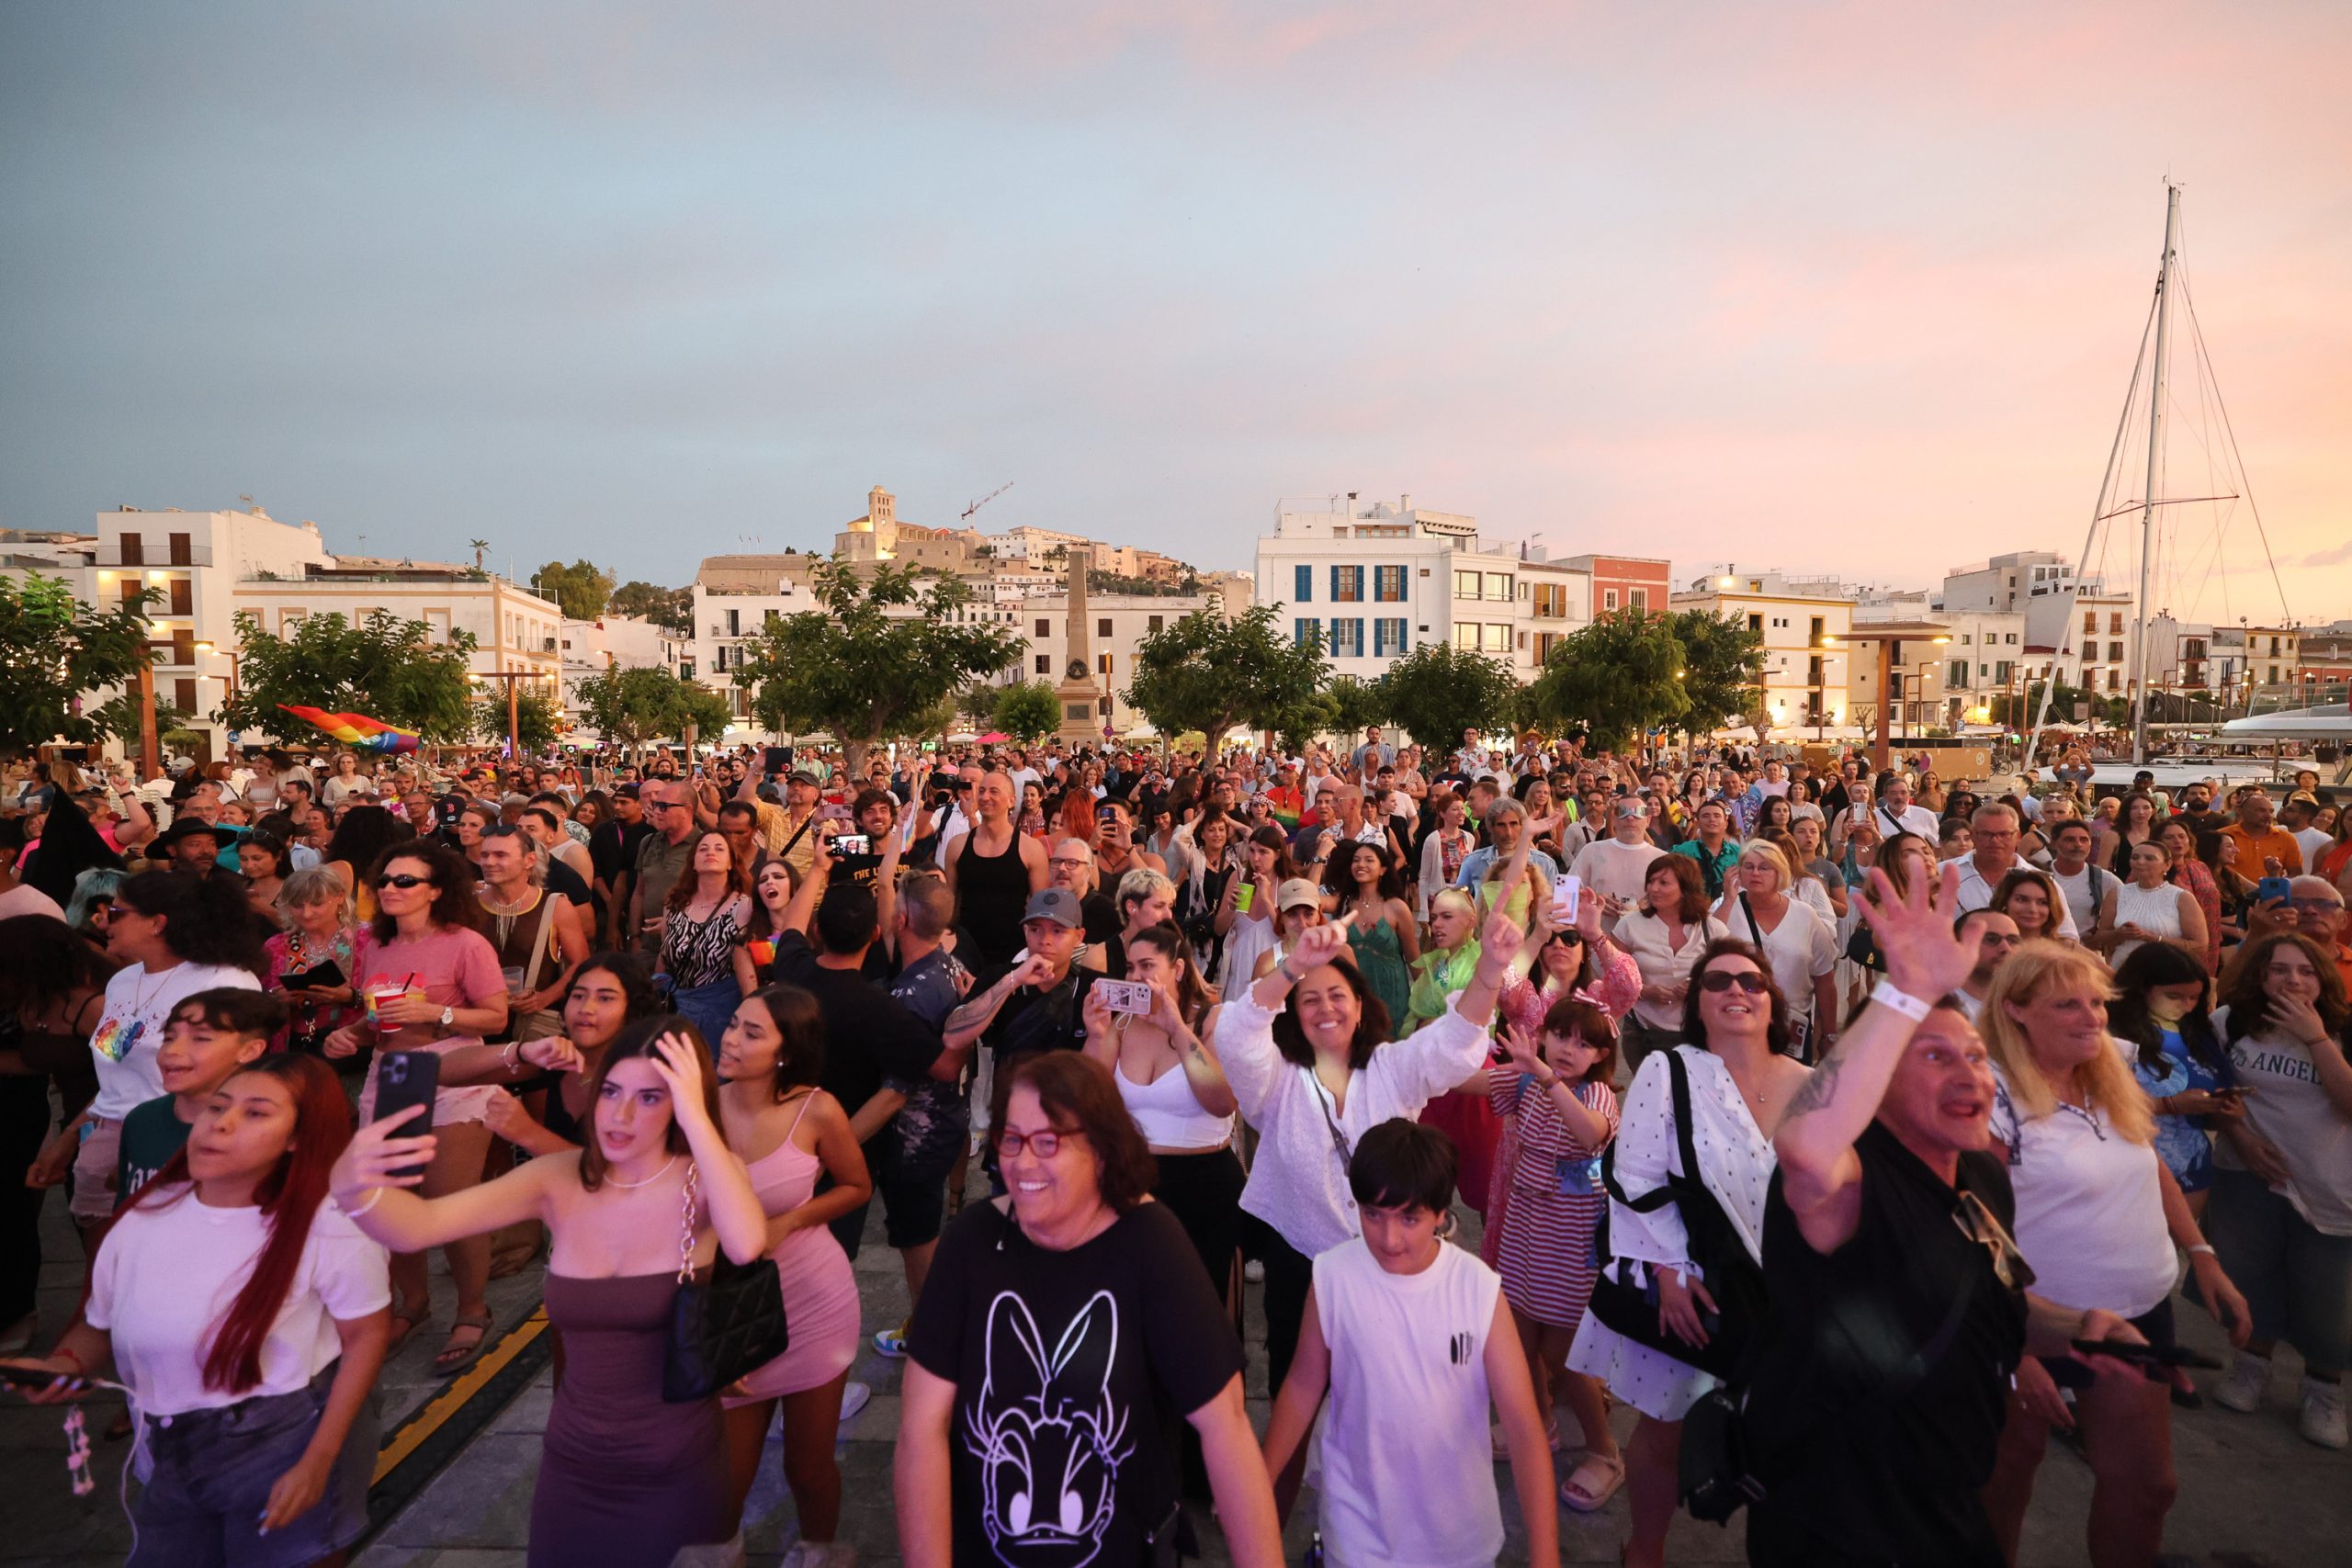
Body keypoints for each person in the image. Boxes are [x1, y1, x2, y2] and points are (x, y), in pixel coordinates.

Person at [1752, 861, 2170, 1568]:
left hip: (1949, 1503)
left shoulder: (1979, 1175)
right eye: (1934, 1056)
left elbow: (1990, 1295)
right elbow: (1802, 1139)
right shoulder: (1848, 1182)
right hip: (1840, 1520)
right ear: (1877, 1076)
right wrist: (1906, 986)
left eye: (1976, 1057)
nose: (1969, 1074)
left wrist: (2076, 1328)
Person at [333, 1018, 769, 1568]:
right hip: (574, 1466)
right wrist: (352, 1181)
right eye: (611, 1091)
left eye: (651, 1097)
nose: (621, 1115)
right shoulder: (559, 1178)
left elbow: (748, 1241)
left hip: (679, 1468)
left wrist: (698, 1117)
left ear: (683, 1104)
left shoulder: (704, 1177)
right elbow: (417, 1227)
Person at [894, 1052, 1285, 1568]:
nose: (1022, 1162)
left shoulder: (1150, 1243)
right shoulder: (971, 1242)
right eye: (1011, 1139)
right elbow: (920, 1430)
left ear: (1102, 1151)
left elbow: (1227, 1428)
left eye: (1049, 1141)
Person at [7, 1054, 390, 1566]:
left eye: (256, 1113)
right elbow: (99, 1322)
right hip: (165, 1451)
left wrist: (318, 1462)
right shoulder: (145, 1212)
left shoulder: (328, 1224)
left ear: (298, 1138)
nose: (222, 1124)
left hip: (278, 1441)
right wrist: (62, 1367)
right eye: (217, 1107)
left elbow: (365, 1338)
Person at [1977, 942, 2252, 1568]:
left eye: (2098, 1002)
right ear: (2016, 1010)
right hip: (2025, 1323)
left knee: (2149, 1486)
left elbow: (2147, 1161)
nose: (2092, 1017)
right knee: (2006, 1478)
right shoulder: (1989, 1094)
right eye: (2068, 1004)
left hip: (2137, 1313)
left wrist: (2201, 1254)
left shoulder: (2105, 1073)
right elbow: (1973, 1224)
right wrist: (2017, 1341)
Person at [1566, 939, 1814, 1568]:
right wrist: (1668, 1269)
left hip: (1788, 1294)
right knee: (1669, 1428)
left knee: (1782, 1434)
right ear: (1697, 1004)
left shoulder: (1813, 1084)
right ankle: (1645, 1548)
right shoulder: (1669, 1069)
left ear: (1772, 1000)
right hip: (1694, 1288)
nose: (1737, 990)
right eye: (1720, 981)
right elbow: (1637, 1174)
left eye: (1752, 982)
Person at [1214, 897, 1522, 1400]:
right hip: (1300, 1260)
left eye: (1337, 996)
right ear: (1293, 1011)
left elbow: (1453, 1041)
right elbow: (1235, 1033)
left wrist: (1490, 970)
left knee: (1389, 1390)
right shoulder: (1274, 1080)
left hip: (1391, 1256)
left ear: (1360, 1006)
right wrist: (1293, 966)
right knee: (1296, 1386)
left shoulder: (1392, 1067)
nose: (1325, 1009)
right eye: (1309, 999)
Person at [1259, 1119, 1560, 1568]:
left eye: (1410, 1218)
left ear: (1441, 1213)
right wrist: (1259, 1480)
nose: (1389, 1238)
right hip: (1356, 1530)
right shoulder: (1332, 1277)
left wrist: (1545, 1553)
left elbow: (1521, 1424)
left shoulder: (1477, 1288)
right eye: (1372, 1214)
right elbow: (1302, 1388)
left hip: (1459, 1537)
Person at [324, 842, 511, 1372]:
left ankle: (472, 1309)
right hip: (391, 1075)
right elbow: (375, 1020)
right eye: (385, 879)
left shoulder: (465, 944)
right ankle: (414, 1304)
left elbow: (496, 1018)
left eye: (405, 881)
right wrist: (351, 1038)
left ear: (435, 891)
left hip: (453, 1072)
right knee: (392, 1200)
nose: (389, 888)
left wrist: (439, 1012)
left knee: (451, 1200)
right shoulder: (374, 944)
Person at [714, 985, 870, 1562]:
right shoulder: (700, 1104)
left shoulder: (817, 1109)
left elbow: (857, 1187)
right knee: (724, 1481)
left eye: (752, 1032)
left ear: (787, 1050)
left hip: (812, 1303)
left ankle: (818, 1551)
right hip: (732, 1313)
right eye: (733, 1024)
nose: (731, 1038)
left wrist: (791, 1220)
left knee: (807, 1467)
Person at [40, 870, 266, 1235]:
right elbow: (118, 1075)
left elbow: (241, 1076)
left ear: (157, 923)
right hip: (105, 1141)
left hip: (180, 1141)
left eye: (115, 913)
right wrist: (68, 1140)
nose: (101, 920)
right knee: (106, 1275)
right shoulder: (122, 982)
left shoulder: (221, 981)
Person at [2204, 931, 2352, 1448]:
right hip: (2250, 1176)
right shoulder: (2230, 1023)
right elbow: (2214, 1094)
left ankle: (2324, 1389)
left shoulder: (2342, 1029)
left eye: (2305, 971)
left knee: (2327, 1295)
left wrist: (2314, 1037)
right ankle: (2251, 1365)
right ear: (2260, 977)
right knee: (2251, 1276)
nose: (2292, 979)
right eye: (2279, 970)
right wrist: (2242, 1140)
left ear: (2322, 977)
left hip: (2329, 1186)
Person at [1488, 1000, 1623, 1511]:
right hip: (1524, 1232)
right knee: (1520, 1344)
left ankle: (1607, 1452)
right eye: (1560, 1036)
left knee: (1566, 1360)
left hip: (1570, 1243)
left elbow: (1590, 1134)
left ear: (1601, 1054)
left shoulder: (1599, 1095)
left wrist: (1542, 1073)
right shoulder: (1524, 1083)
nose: (1569, 1048)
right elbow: (1469, 1082)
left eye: (1583, 1042)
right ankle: (1540, 1424)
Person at [1080, 922, 1243, 1303]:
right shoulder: (1120, 1024)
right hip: (1135, 1184)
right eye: (1130, 968)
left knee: (1205, 1311)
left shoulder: (1212, 1020)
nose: (1137, 977)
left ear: (1179, 970)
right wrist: (1095, 1035)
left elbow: (1221, 1101)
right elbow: (1089, 1101)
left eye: (1147, 966)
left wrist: (1176, 1028)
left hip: (1204, 1186)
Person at [116, 987, 283, 1200]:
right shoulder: (141, 1120)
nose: (172, 1050)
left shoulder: (264, 1133)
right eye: (168, 1037)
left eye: (201, 1038)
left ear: (249, 1051)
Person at [2110, 943, 2239, 1218]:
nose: (2187, 1005)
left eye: (2195, 997)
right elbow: (2092, 1104)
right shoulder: (2107, 1034)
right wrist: (2169, 1104)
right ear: (2141, 989)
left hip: (2189, 1170)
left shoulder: (2199, 1036)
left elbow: (2210, 1114)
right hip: (2121, 1171)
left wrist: (2225, 1112)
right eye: (2174, 996)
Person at [1714, 841, 1840, 1059]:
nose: (1755, 873)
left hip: (1790, 1026)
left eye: (1764, 867)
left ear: (1779, 872)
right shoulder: (1726, 907)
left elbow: (1824, 979)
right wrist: (1728, 900)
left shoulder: (1805, 915)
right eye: (1748, 866)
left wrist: (1828, 1034)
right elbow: (1709, 952)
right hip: (1736, 1023)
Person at [1611, 853, 1728, 1070]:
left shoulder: (1713, 929)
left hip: (1698, 1034)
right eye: (1651, 881)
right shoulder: (1629, 925)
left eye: (1663, 883)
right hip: (1644, 1034)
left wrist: (1699, 987)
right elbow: (1614, 980)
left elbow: (1728, 976)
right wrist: (1644, 991)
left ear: (1685, 888)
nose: (1654, 888)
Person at [476, 825, 590, 1044]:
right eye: (485, 855)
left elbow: (581, 964)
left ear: (529, 861)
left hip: (533, 1030)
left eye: (500, 855)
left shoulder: (555, 906)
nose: (489, 862)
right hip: (480, 1026)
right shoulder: (469, 906)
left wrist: (545, 998)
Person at [940, 771, 1048, 968]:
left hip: (1013, 954)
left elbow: (1040, 910)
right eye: (981, 791)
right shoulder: (957, 845)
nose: (985, 797)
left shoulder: (1031, 849)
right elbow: (950, 903)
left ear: (1011, 801)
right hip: (965, 952)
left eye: (993, 791)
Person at [659, 829, 754, 1047]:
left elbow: (767, 954)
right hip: (679, 1013)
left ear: (731, 863)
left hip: (722, 1014)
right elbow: (664, 957)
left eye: (719, 848)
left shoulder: (745, 906)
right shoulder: (674, 905)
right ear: (693, 863)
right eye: (703, 848)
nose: (710, 852)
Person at [266, 865, 372, 1059]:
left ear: (340, 897)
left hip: (351, 1044)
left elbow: (390, 995)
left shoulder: (367, 940)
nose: (306, 913)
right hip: (294, 1046)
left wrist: (350, 997)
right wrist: (274, 999)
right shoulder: (276, 946)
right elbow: (257, 1000)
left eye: (317, 904)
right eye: (298, 905)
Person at [1327, 840, 1418, 1027]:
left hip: (1393, 995)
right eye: (1356, 860)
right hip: (1355, 995)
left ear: (1383, 869)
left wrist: (1427, 1005)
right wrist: (1320, 857)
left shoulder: (1397, 907)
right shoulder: (1343, 904)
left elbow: (1414, 960)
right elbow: (1310, 899)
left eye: (1369, 860)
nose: (1361, 864)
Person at [2095, 840, 2207, 968]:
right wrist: (2119, 933)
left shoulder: (2181, 897)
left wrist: (2151, 937)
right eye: (2135, 857)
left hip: (2165, 969)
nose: (2140, 862)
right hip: (2123, 968)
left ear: (2167, 865)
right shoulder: (2117, 893)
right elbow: (2101, 937)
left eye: (2149, 858)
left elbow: (2200, 945)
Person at [626, 780, 701, 958]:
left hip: (688, 948)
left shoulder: (704, 846)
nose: (656, 811)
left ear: (687, 810)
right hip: (647, 948)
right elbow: (639, 892)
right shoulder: (648, 842)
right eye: (656, 805)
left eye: (664, 806)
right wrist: (635, 937)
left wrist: (676, 924)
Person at [1988, 866, 2065, 946]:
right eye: (2022, 900)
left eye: (2042, 902)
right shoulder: (1982, 948)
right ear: (2004, 902)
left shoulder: (2067, 951)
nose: (2032, 909)